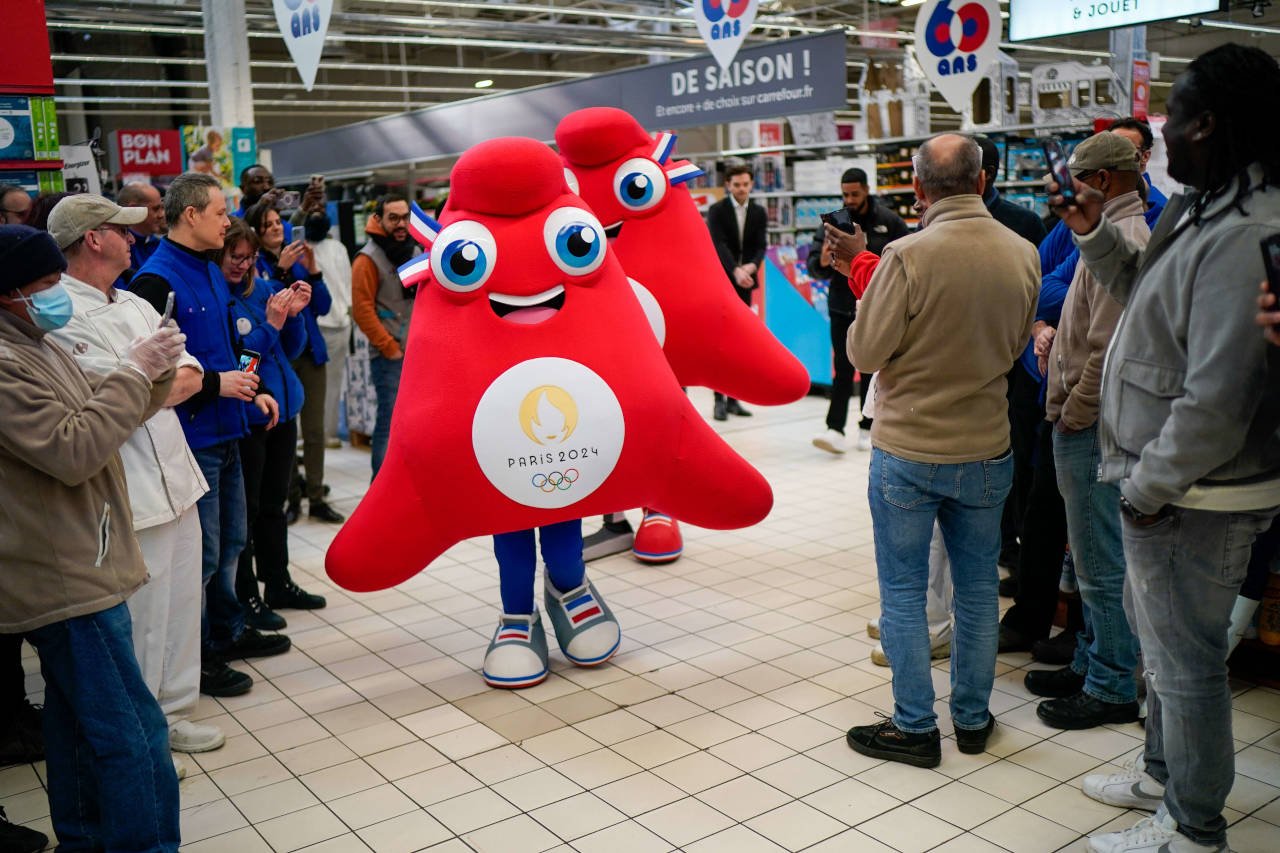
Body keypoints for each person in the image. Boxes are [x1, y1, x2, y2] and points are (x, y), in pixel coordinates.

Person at [1056, 44, 1280, 853]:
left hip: (1198, 492)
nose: (1162, 134)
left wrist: (1148, 485)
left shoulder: (1250, 227)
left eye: (1172, 117)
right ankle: (1162, 777)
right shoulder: (1201, 207)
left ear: (1209, 123)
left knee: (1185, 668)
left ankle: (1195, 827)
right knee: (1161, 654)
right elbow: (1150, 302)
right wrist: (1094, 240)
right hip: (1167, 482)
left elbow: (1220, 394)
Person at [845, 134, 1038, 768]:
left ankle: (914, 728)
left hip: (909, 448)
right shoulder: (1023, 253)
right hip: (986, 446)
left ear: (920, 191)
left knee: (903, 593)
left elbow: (865, 354)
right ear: (982, 183)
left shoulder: (905, 256)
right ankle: (974, 720)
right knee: (979, 591)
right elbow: (1014, 349)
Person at [0, 223, 184, 852]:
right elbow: (73, 448)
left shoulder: (36, 339)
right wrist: (134, 371)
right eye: (47, 284)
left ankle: (86, 839)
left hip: (86, 551)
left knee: (77, 723)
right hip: (65, 573)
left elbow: (100, 416)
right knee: (133, 730)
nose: (58, 295)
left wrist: (152, 372)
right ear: (8, 292)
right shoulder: (5, 363)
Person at [45, 194, 229, 770]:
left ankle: (174, 713)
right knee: (143, 622)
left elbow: (189, 374)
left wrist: (152, 380)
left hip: (177, 475)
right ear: (93, 239)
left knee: (179, 606)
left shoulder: (133, 302)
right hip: (129, 488)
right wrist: (150, 379)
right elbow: (108, 397)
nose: (134, 237)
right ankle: (144, 736)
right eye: (120, 231)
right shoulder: (59, 315)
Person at [130, 172, 292, 698]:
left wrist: (250, 385)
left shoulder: (211, 271)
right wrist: (219, 387)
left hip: (229, 432)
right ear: (192, 215)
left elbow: (229, 345)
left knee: (230, 545)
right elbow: (153, 380)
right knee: (200, 557)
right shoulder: (155, 281)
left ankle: (225, 633)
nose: (228, 221)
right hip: (192, 440)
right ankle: (196, 659)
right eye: (221, 212)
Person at [1027, 132, 1151, 731]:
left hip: (1091, 424)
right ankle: (1092, 659)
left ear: (1100, 181)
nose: (1066, 188)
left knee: (1101, 561)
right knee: (1091, 556)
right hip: (1085, 419)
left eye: (1075, 177)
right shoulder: (1108, 233)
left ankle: (1111, 685)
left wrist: (1073, 410)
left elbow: (1109, 349)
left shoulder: (1125, 239)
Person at [223, 218, 325, 628]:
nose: (242, 266)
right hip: (249, 418)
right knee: (245, 512)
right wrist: (272, 325)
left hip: (285, 410)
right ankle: (245, 595)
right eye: (235, 257)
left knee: (274, 505)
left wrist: (295, 316)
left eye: (248, 259)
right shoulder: (223, 302)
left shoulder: (264, 289)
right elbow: (243, 362)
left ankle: (278, 581)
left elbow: (292, 349)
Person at [244, 203, 342, 527]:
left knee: (314, 432)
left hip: (310, 353)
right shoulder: (252, 269)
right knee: (286, 432)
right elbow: (269, 313)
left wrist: (312, 271)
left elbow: (324, 306)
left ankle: (317, 498)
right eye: (267, 223)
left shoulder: (300, 259)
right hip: (278, 360)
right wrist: (281, 271)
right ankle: (293, 498)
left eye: (277, 222)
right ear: (255, 233)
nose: (275, 227)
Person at [807, 168, 909, 454]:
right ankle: (835, 427)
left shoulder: (889, 221)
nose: (850, 199)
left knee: (872, 367)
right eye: (845, 194)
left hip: (879, 307)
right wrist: (825, 258)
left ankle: (868, 426)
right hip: (841, 306)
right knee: (842, 367)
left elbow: (905, 261)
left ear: (866, 189)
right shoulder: (833, 224)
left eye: (855, 193)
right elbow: (814, 266)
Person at [351, 194, 419, 478]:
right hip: (390, 356)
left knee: (416, 424)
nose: (401, 224)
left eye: (405, 217)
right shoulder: (368, 259)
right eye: (394, 218)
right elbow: (362, 310)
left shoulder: (415, 250)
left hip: (419, 354)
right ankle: (380, 489)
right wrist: (389, 347)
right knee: (389, 423)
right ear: (379, 220)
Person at [705, 164, 766, 421]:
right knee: (721, 342)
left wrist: (751, 267)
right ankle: (719, 399)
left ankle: (734, 399)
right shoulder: (717, 211)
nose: (741, 189)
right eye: (737, 185)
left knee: (741, 341)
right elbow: (718, 244)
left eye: (745, 184)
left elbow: (761, 244)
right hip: (723, 281)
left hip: (745, 281)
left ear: (751, 184)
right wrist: (735, 271)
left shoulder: (759, 212)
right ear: (728, 185)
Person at [303, 210, 353, 449]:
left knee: (325, 384)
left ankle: (322, 433)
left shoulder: (334, 248)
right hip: (329, 323)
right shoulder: (335, 248)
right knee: (324, 384)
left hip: (333, 324)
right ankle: (319, 433)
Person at [116, 182, 167, 283]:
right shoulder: (115, 250)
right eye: (156, 209)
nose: (162, 214)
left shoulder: (159, 244)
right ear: (133, 209)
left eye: (162, 207)